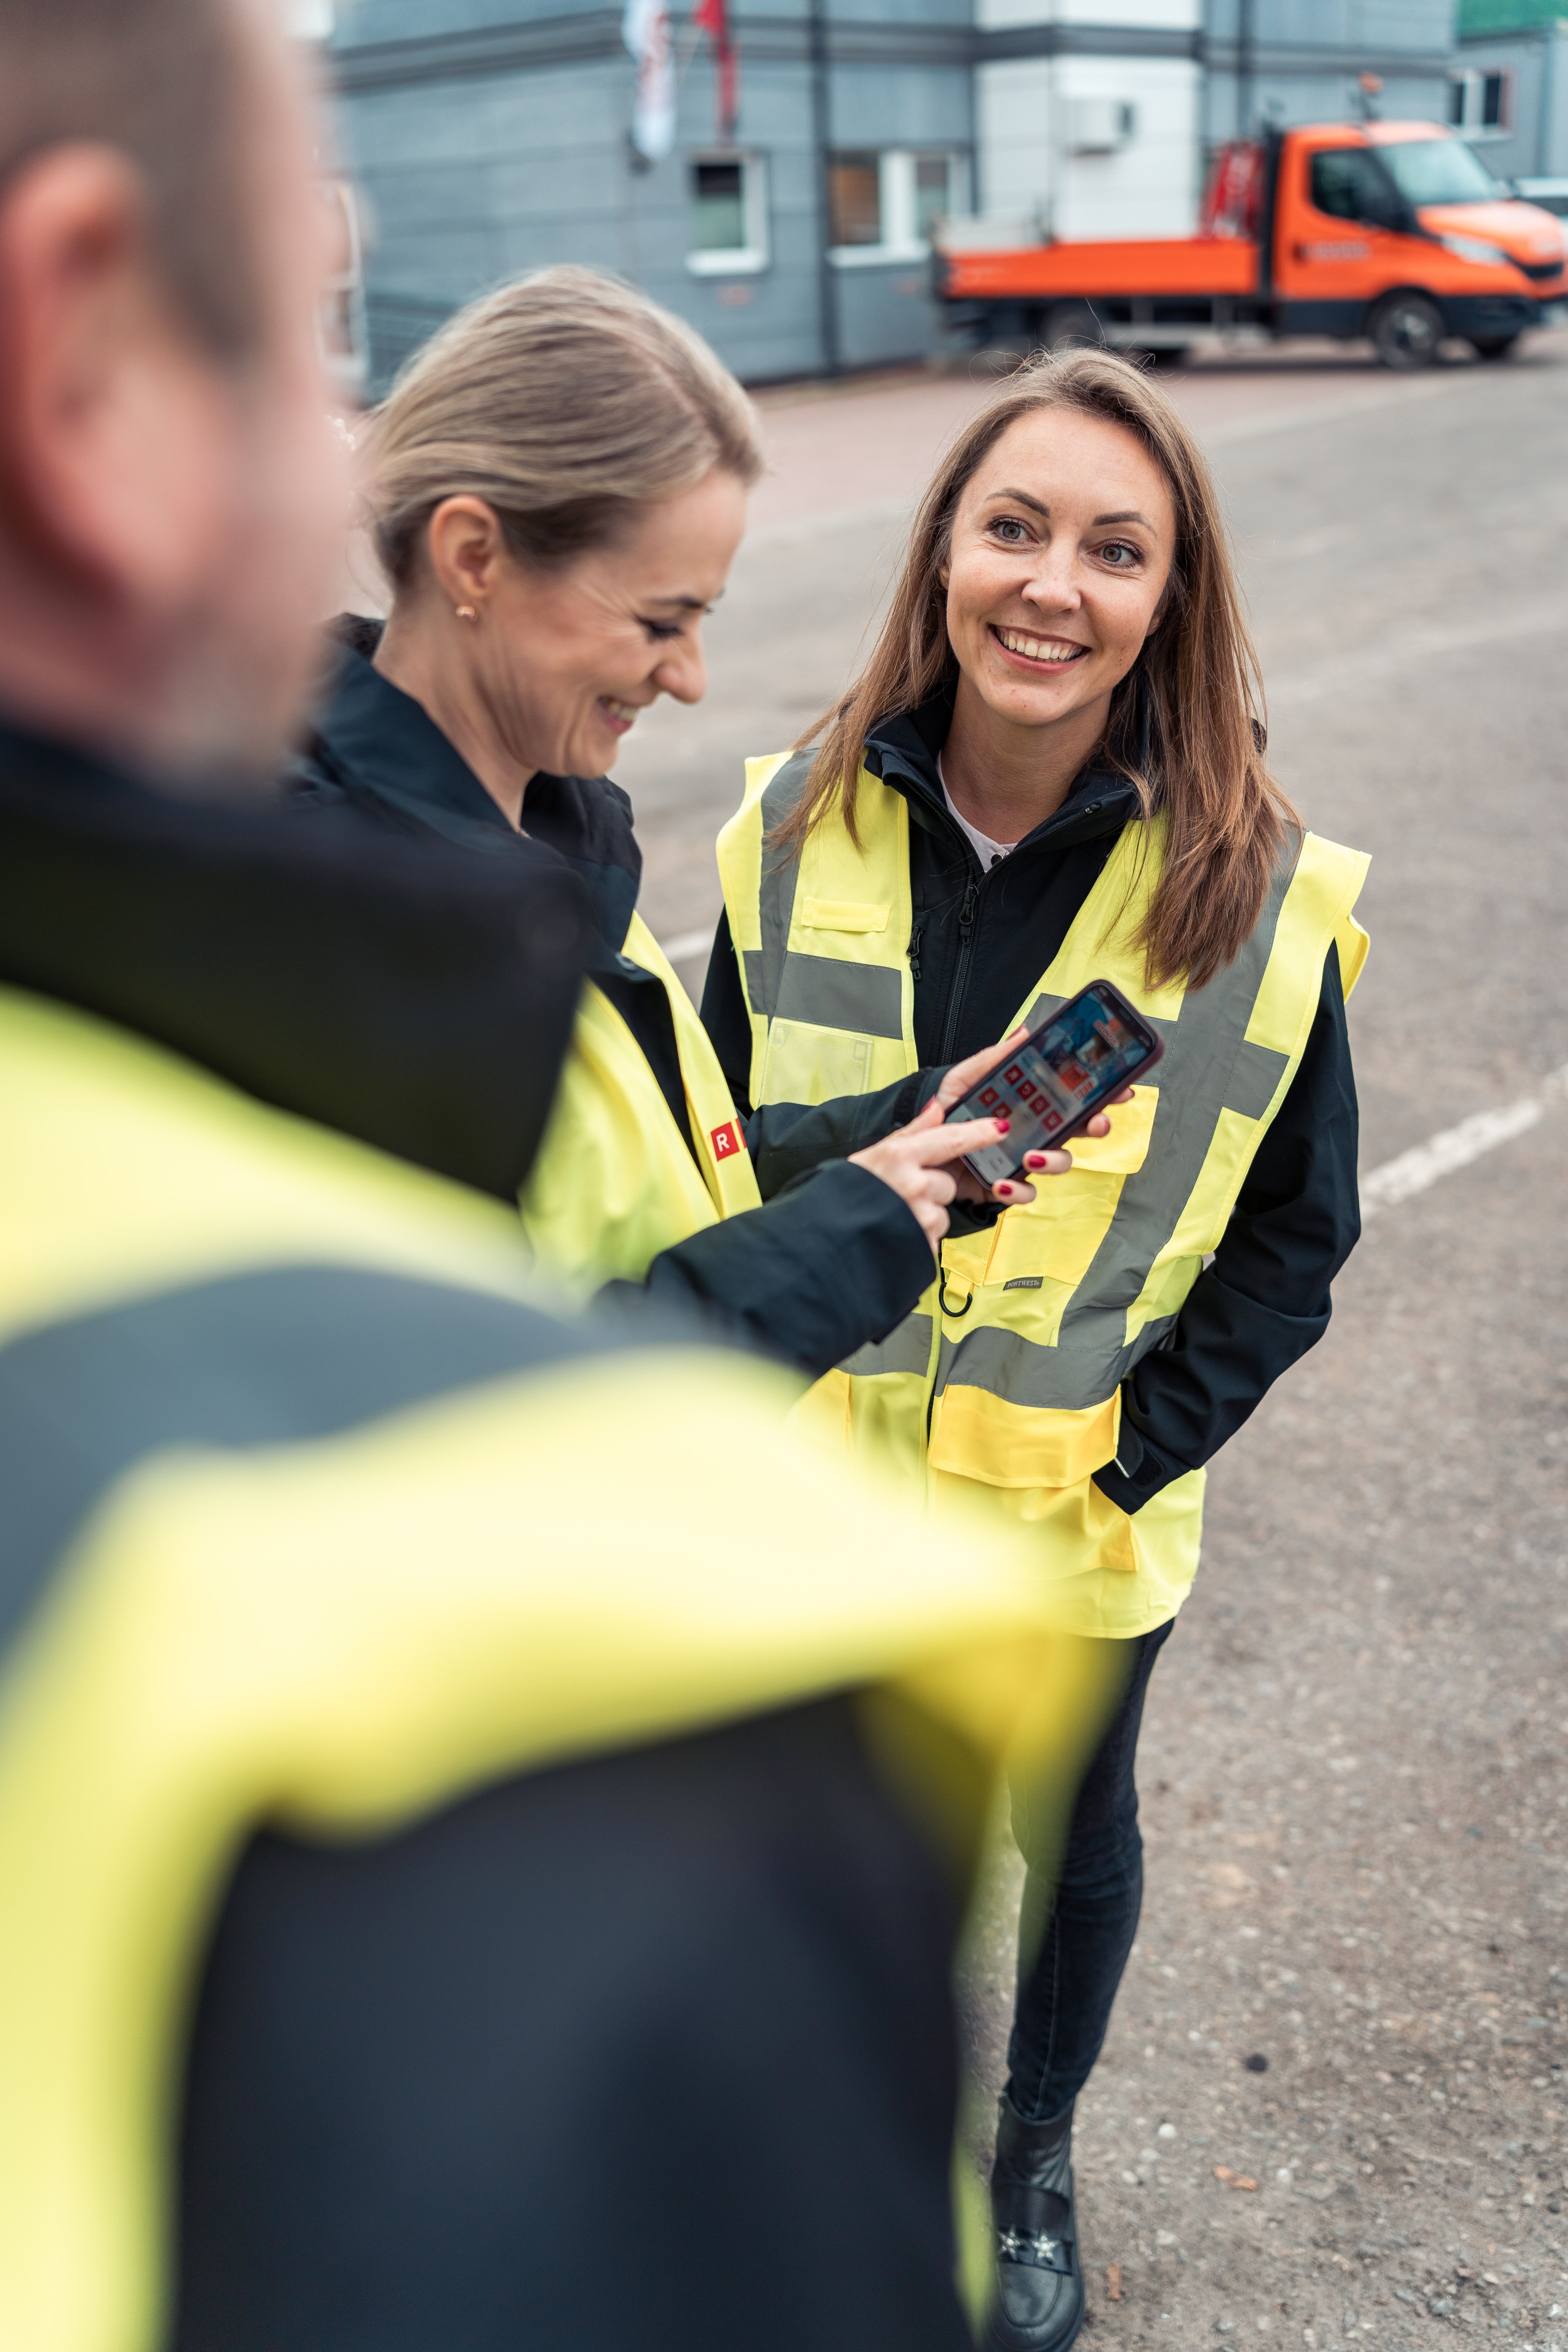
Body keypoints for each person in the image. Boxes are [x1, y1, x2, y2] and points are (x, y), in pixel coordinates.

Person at [0, 3, 1105, 2345]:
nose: (694, 677)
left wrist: (862, 1147)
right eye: (297, 335)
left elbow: (622, 1166)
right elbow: (484, 1370)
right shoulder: (300, 964)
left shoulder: (519, 866)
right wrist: (856, 1239)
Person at [704, 349, 1369, 2352]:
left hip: (1074, 1517)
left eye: (1114, 548)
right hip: (813, 1499)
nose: (1051, 586)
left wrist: (1137, 1448)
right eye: (1014, 528)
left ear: (1173, 600)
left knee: (1066, 1841)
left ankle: (1033, 2165)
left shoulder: (1255, 885)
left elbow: (1297, 1234)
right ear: (944, 556)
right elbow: (705, 1139)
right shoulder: (789, 824)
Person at [288, 270, 1078, 1378]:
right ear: (474, 558)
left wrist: (898, 1143)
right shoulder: (325, 924)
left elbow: (665, 1178)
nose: (693, 679)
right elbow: (467, 1408)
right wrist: (841, 1246)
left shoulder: (553, 836)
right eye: (661, 620)